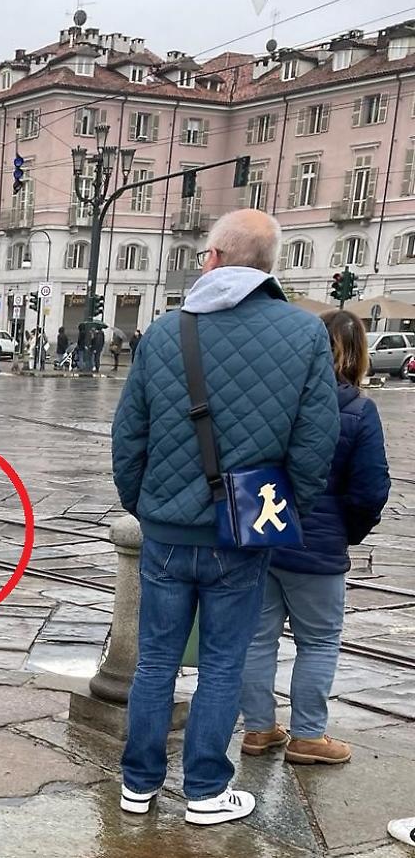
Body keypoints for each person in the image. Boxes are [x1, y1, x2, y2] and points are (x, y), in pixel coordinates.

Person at [111, 210, 338, 826]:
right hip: (244, 531)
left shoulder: (164, 333)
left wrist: (147, 507)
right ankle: (207, 791)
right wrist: (285, 510)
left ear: (213, 258)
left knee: (156, 660)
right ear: (269, 268)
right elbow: (318, 442)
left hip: (164, 532)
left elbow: (128, 436)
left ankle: (138, 785)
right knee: (222, 661)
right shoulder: (303, 333)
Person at [239, 310, 390, 767]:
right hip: (319, 548)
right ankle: (307, 736)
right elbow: (370, 489)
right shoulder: (359, 411)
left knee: (258, 638)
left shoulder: (274, 400)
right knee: (320, 641)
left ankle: (259, 729)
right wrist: (348, 531)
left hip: (264, 534)